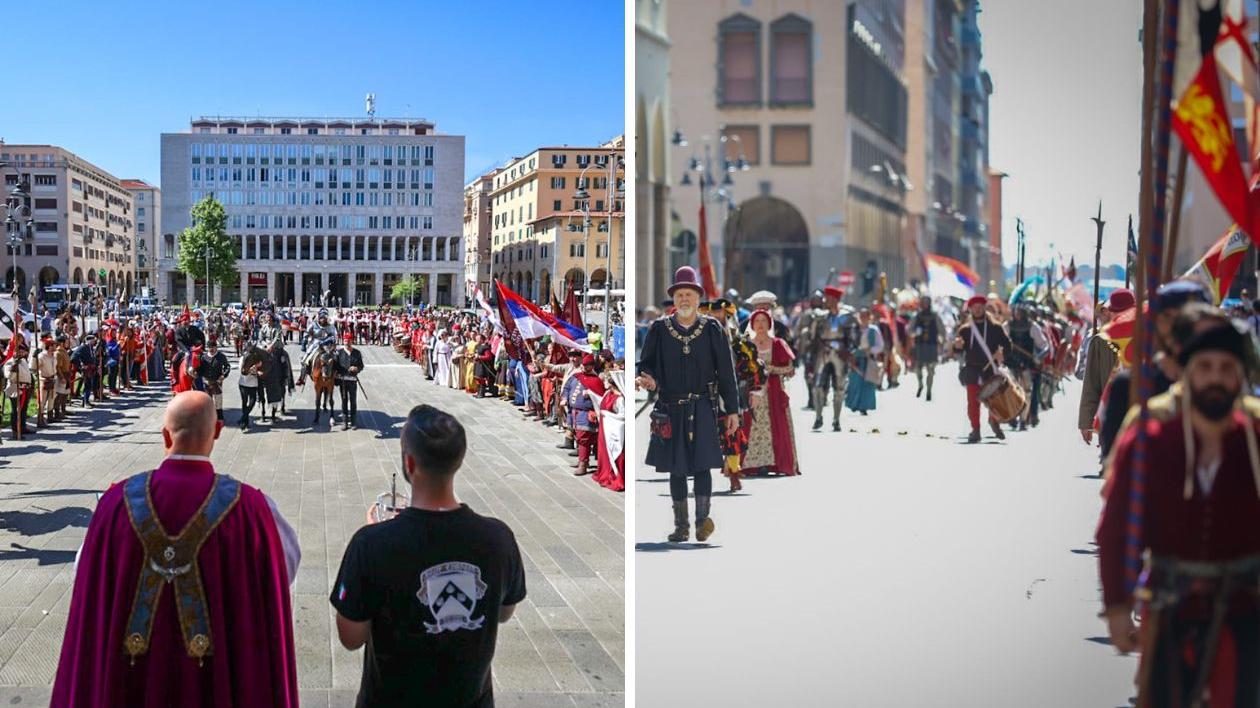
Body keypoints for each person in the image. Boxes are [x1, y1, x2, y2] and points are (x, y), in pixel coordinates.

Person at [52, 391, 300, 707]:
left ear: (165, 435)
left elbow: (85, 572)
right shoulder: (252, 508)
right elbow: (285, 570)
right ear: (218, 431)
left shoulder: (114, 504)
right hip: (218, 671)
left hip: (132, 676)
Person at [1096, 321, 1260, 706]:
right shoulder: (1149, 440)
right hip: (1169, 610)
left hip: (1244, 611)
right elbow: (1116, 529)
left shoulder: (1255, 440)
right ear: (1186, 376)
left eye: (1226, 368)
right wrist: (1118, 606)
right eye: (1205, 367)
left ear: (1240, 377)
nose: (1215, 378)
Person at [330, 404, 525, 708]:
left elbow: (351, 637)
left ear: (409, 462)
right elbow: (504, 612)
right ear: (458, 461)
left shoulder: (370, 544)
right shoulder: (499, 538)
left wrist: (379, 540)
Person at [637, 266, 740, 544]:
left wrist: (733, 410)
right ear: (675, 298)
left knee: (703, 466)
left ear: (697, 298)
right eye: (680, 294)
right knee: (677, 468)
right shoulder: (659, 329)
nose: (684, 299)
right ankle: (681, 526)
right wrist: (647, 380)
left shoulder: (712, 329)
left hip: (703, 407)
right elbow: (645, 365)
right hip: (671, 408)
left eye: (689, 294)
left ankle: (701, 522)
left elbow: (727, 372)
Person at [739, 309, 799, 476]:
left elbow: (789, 368)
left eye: (764, 321)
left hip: (773, 392)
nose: (760, 324)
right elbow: (738, 368)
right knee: (751, 425)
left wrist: (771, 369)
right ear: (752, 324)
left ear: (769, 324)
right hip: (753, 392)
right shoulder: (746, 345)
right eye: (757, 321)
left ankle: (773, 463)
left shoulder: (778, 343)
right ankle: (751, 464)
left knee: (776, 426)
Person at [954, 294, 1013, 443]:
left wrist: (1002, 355)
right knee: (973, 403)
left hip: (990, 370)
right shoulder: (965, 330)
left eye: (981, 307)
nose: (978, 310)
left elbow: (1007, 345)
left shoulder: (995, 327)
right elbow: (959, 352)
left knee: (994, 401)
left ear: (984, 308)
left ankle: (994, 421)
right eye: (975, 308)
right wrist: (958, 347)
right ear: (971, 310)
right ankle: (975, 429)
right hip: (972, 370)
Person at [1080, 289, 1134, 445]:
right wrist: (1087, 420)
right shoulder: (1100, 341)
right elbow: (1092, 382)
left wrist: (1087, 422)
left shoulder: (1147, 335)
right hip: (1112, 414)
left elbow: (1091, 383)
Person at [808, 286, 859, 432]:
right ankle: (818, 417)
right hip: (822, 353)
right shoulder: (820, 316)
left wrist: (848, 352)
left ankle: (836, 420)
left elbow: (855, 338)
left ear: (835, 300)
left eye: (828, 298)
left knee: (839, 387)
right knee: (817, 386)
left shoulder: (846, 316)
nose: (825, 301)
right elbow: (813, 338)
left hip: (840, 354)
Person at [845, 308, 883, 416]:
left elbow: (880, 345)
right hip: (856, 360)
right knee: (855, 382)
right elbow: (849, 343)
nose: (863, 319)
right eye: (861, 316)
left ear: (869, 317)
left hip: (868, 360)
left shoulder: (873, 330)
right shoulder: (854, 329)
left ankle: (864, 406)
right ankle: (854, 405)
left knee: (867, 384)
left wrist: (870, 350)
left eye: (865, 316)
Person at [908, 295, 946, 401]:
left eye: (927, 302)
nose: (925, 304)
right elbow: (910, 330)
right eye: (923, 302)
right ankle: (920, 384)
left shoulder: (935, 316)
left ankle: (929, 390)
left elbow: (941, 329)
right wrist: (915, 333)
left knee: (931, 369)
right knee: (918, 368)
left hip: (931, 345)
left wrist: (942, 341)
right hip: (920, 345)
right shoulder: (917, 316)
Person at [4, 337, 34, 439]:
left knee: (23, 409)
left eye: (22, 351)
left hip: (25, 388)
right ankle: (15, 431)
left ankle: (23, 427)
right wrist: (13, 369)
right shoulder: (10, 362)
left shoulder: (24, 361)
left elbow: (28, 375)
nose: (21, 353)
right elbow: (9, 376)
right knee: (15, 411)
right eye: (19, 351)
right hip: (15, 388)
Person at [334, 331, 364, 431]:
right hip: (343, 381)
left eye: (349, 340)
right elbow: (336, 366)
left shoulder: (357, 353)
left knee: (353, 401)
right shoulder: (339, 352)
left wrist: (356, 368)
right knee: (344, 401)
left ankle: (354, 421)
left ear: (352, 341)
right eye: (346, 340)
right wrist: (336, 373)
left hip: (352, 381)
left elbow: (361, 366)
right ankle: (344, 421)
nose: (347, 342)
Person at [238, 342, 267, 431]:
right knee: (244, 402)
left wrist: (259, 370)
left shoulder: (257, 360)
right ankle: (245, 422)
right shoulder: (242, 358)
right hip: (243, 383)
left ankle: (243, 417)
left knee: (252, 402)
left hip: (253, 384)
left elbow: (261, 368)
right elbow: (242, 371)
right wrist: (253, 371)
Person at [203, 337, 232, 422]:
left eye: (213, 347)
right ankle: (209, 417)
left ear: (216, 347)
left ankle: (219, 416)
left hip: (217, 381)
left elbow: (227, 367)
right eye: (209, 347)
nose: (211, 349)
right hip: (206, 382)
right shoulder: (204, 357)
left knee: (218, 400)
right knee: (208, 400)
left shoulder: (221, 356)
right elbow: (200, 369)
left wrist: (223, 375)